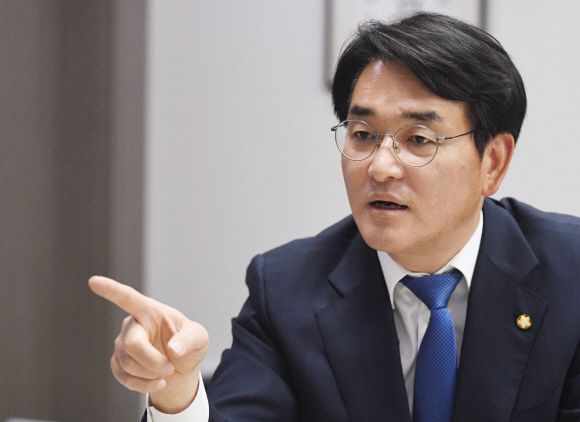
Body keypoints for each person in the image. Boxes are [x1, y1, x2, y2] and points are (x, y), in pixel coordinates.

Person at [89, 12, 580, 422]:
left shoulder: (571, 274)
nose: (380, 167)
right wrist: (178, 396)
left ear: (493, 162)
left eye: (418, 140)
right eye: (363, 134)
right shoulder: (287, 290)